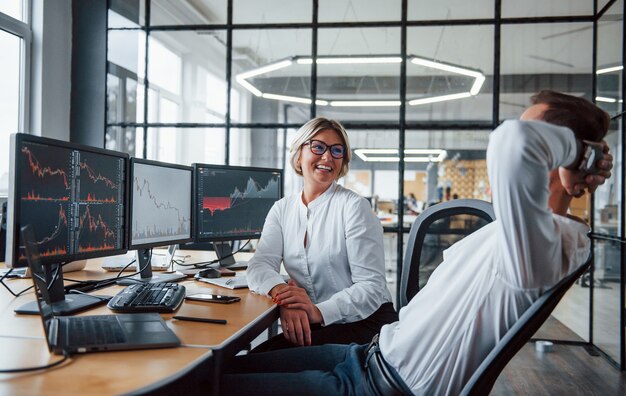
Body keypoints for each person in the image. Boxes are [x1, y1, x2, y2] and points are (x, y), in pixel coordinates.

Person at [220, 90, 613, 395]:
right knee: (219, 367)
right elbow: (262, 264)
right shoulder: (519, 235)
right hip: (369, 356)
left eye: (548, 139)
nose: (327, 157)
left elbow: (515, 141)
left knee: (205, 387)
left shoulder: (546, 247)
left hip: (381, 384)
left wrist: (583, 157)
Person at [247, 117, 397, 351]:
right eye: (318, 147)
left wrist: (316, 311)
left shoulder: (354, 207)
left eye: (337, 151)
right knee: (254, 358)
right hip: (316, 324)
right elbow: (259, 265)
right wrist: (284, 295)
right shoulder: (282, 209)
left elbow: (372, 286)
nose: (327, 157)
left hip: (365, 323)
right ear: (299, 155)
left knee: (254, 361)